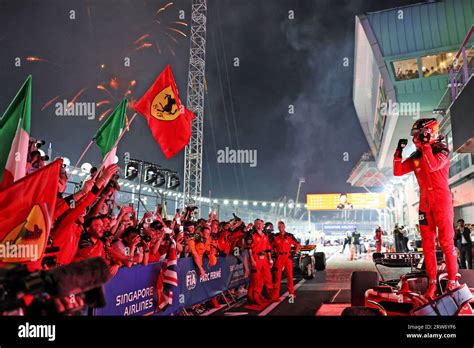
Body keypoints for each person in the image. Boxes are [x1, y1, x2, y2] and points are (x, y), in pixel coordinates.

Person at [394, 118, 459, 298]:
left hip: (441, 201)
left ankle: (452, 281)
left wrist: (425, 147)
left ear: (430, 132)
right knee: (428, 245)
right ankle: (432, 283)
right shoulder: (417, 156)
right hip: (424, 203)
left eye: (419, 134)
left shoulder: (442, 151)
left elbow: (432, 166)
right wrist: (398, 152)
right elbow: (398, 171)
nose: (415, 138)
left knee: (446, 242)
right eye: (414, 135)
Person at [245, 219, 274, 304]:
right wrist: (252, 260)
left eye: (260, 224)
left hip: (264, 258)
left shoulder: (265, 235)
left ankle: (270, 295)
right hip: (256, 257)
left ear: (263, 225)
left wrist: (270, 259)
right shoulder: (251, 235)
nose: (259, 225)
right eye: (257, 224)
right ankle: (256, 297)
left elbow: (268, 248)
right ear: (255, 225)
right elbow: (249, 249)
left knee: (268, 277)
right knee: (257, 279)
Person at [272, 221, 300, 301]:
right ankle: (276, 296)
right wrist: (273, 254)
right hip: (279, 258)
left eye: (281, 226)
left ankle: (291, 293)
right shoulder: (275, 237)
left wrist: (294, 252)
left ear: (284, 227)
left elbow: (297, 245)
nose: (280, 228)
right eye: (279, 226)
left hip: (288, 257)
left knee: (290, 276)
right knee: (277, 277)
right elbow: (270, 246)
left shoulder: (289, 236)